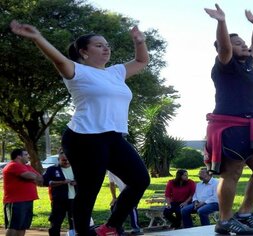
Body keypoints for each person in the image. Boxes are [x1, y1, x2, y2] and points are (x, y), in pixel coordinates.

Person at [10, 19, 150, 236]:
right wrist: (37, 37)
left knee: (140, 179)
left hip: (113, 137)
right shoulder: (78, 71)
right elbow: (58, 60)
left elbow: (141, 61)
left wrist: (139, 41)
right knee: (89, 190)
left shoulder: (116, 72)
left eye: (107, 45)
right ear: (84, 52)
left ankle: (110, 227)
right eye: (99, 45)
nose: (106, 48)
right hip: (84, 137)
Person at [204, 4, 253, 235]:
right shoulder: (225, 65)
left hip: (252, 126)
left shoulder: (247, 65)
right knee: (232, 172)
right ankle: (224, 220)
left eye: (243, 42)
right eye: (238, 43)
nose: (243, 45)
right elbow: (224, 47)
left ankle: (244, 213)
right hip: (230, 125)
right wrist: (221, 22)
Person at [2, 148, 43, 236]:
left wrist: (33, 177)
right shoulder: (13, 165)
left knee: (22, 226)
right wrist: (33, 177)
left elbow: (40, 178)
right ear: (18, 156)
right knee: (13, 226)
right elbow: (29, 176)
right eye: (25, 154)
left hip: (28, 200)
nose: (28, 156)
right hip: (16, 201)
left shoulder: (27, 166)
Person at [43, 149, 76, 236]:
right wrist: (62, 182)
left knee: (74, 223)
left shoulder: (77, 169)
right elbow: (45, 182)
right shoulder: (52, 169)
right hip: (59, 200)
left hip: (74, 200)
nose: (67, 162)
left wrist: (76, 183)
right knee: (56, 222)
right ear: (58, 159)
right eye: (64, 160)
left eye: (69, 159)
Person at [107, 171, 143, 235]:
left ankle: (136, 229)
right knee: (113, 207)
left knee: (132, 207)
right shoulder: (110, 172)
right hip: (124, 192)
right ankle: (119, 229)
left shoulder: (123, 166)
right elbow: (111, 184)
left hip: (133, 189)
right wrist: (114, 198)